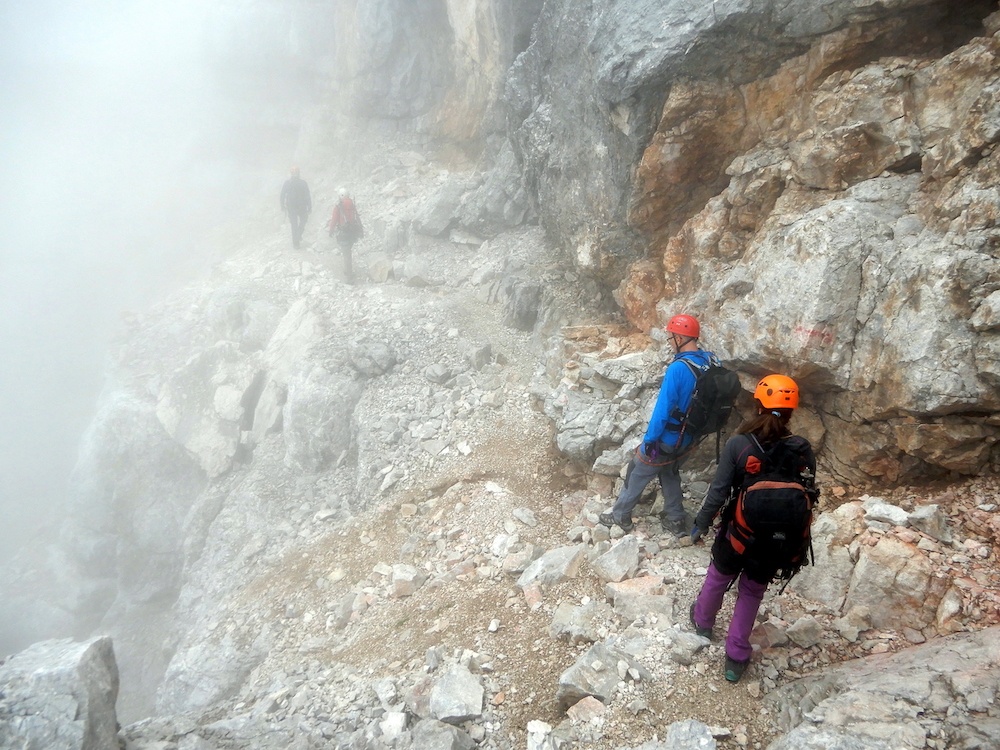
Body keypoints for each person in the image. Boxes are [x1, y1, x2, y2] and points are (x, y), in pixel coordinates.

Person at [689, 374, 817, 683]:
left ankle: (703, 622)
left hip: (738, 534)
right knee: (752, 591)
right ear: (792, 412)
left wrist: (701, 524)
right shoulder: (802, 449)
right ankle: (735, 658)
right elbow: (810, 494)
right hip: (777, 544)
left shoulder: (740, 444)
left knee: (719, 576)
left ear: (758, 404)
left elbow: (718, 492)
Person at [599, 314, 717, 537]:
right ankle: (675, 518)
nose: (669, 342)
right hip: (691, 438)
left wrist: (649, 441)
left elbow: (662, 411)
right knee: (669, 471)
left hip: (669, 438)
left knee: (638, 469)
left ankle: (620, 515)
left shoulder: (679, 368)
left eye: (670, 337)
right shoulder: (710, 361)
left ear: (680, 337)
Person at [327, 187, 364, 283]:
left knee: (346, 254)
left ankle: (349, 276)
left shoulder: (338, 206)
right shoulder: (352, 204)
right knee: (348, 252)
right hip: (352, 232)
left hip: (343, 232)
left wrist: (330, 231)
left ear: (340, 195)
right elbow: (357, 217)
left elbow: (334, 220)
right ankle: (348, 270)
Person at [280, 167, 311, 249]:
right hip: (301, 206)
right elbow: (307, 196)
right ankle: (297, 238)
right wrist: (309, 207)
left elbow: (282, 195)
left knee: (294, 225)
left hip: (292, 207)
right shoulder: (303, 183)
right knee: (302, 222)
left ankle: (296, 242)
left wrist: (282, 206)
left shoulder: (287, 183)